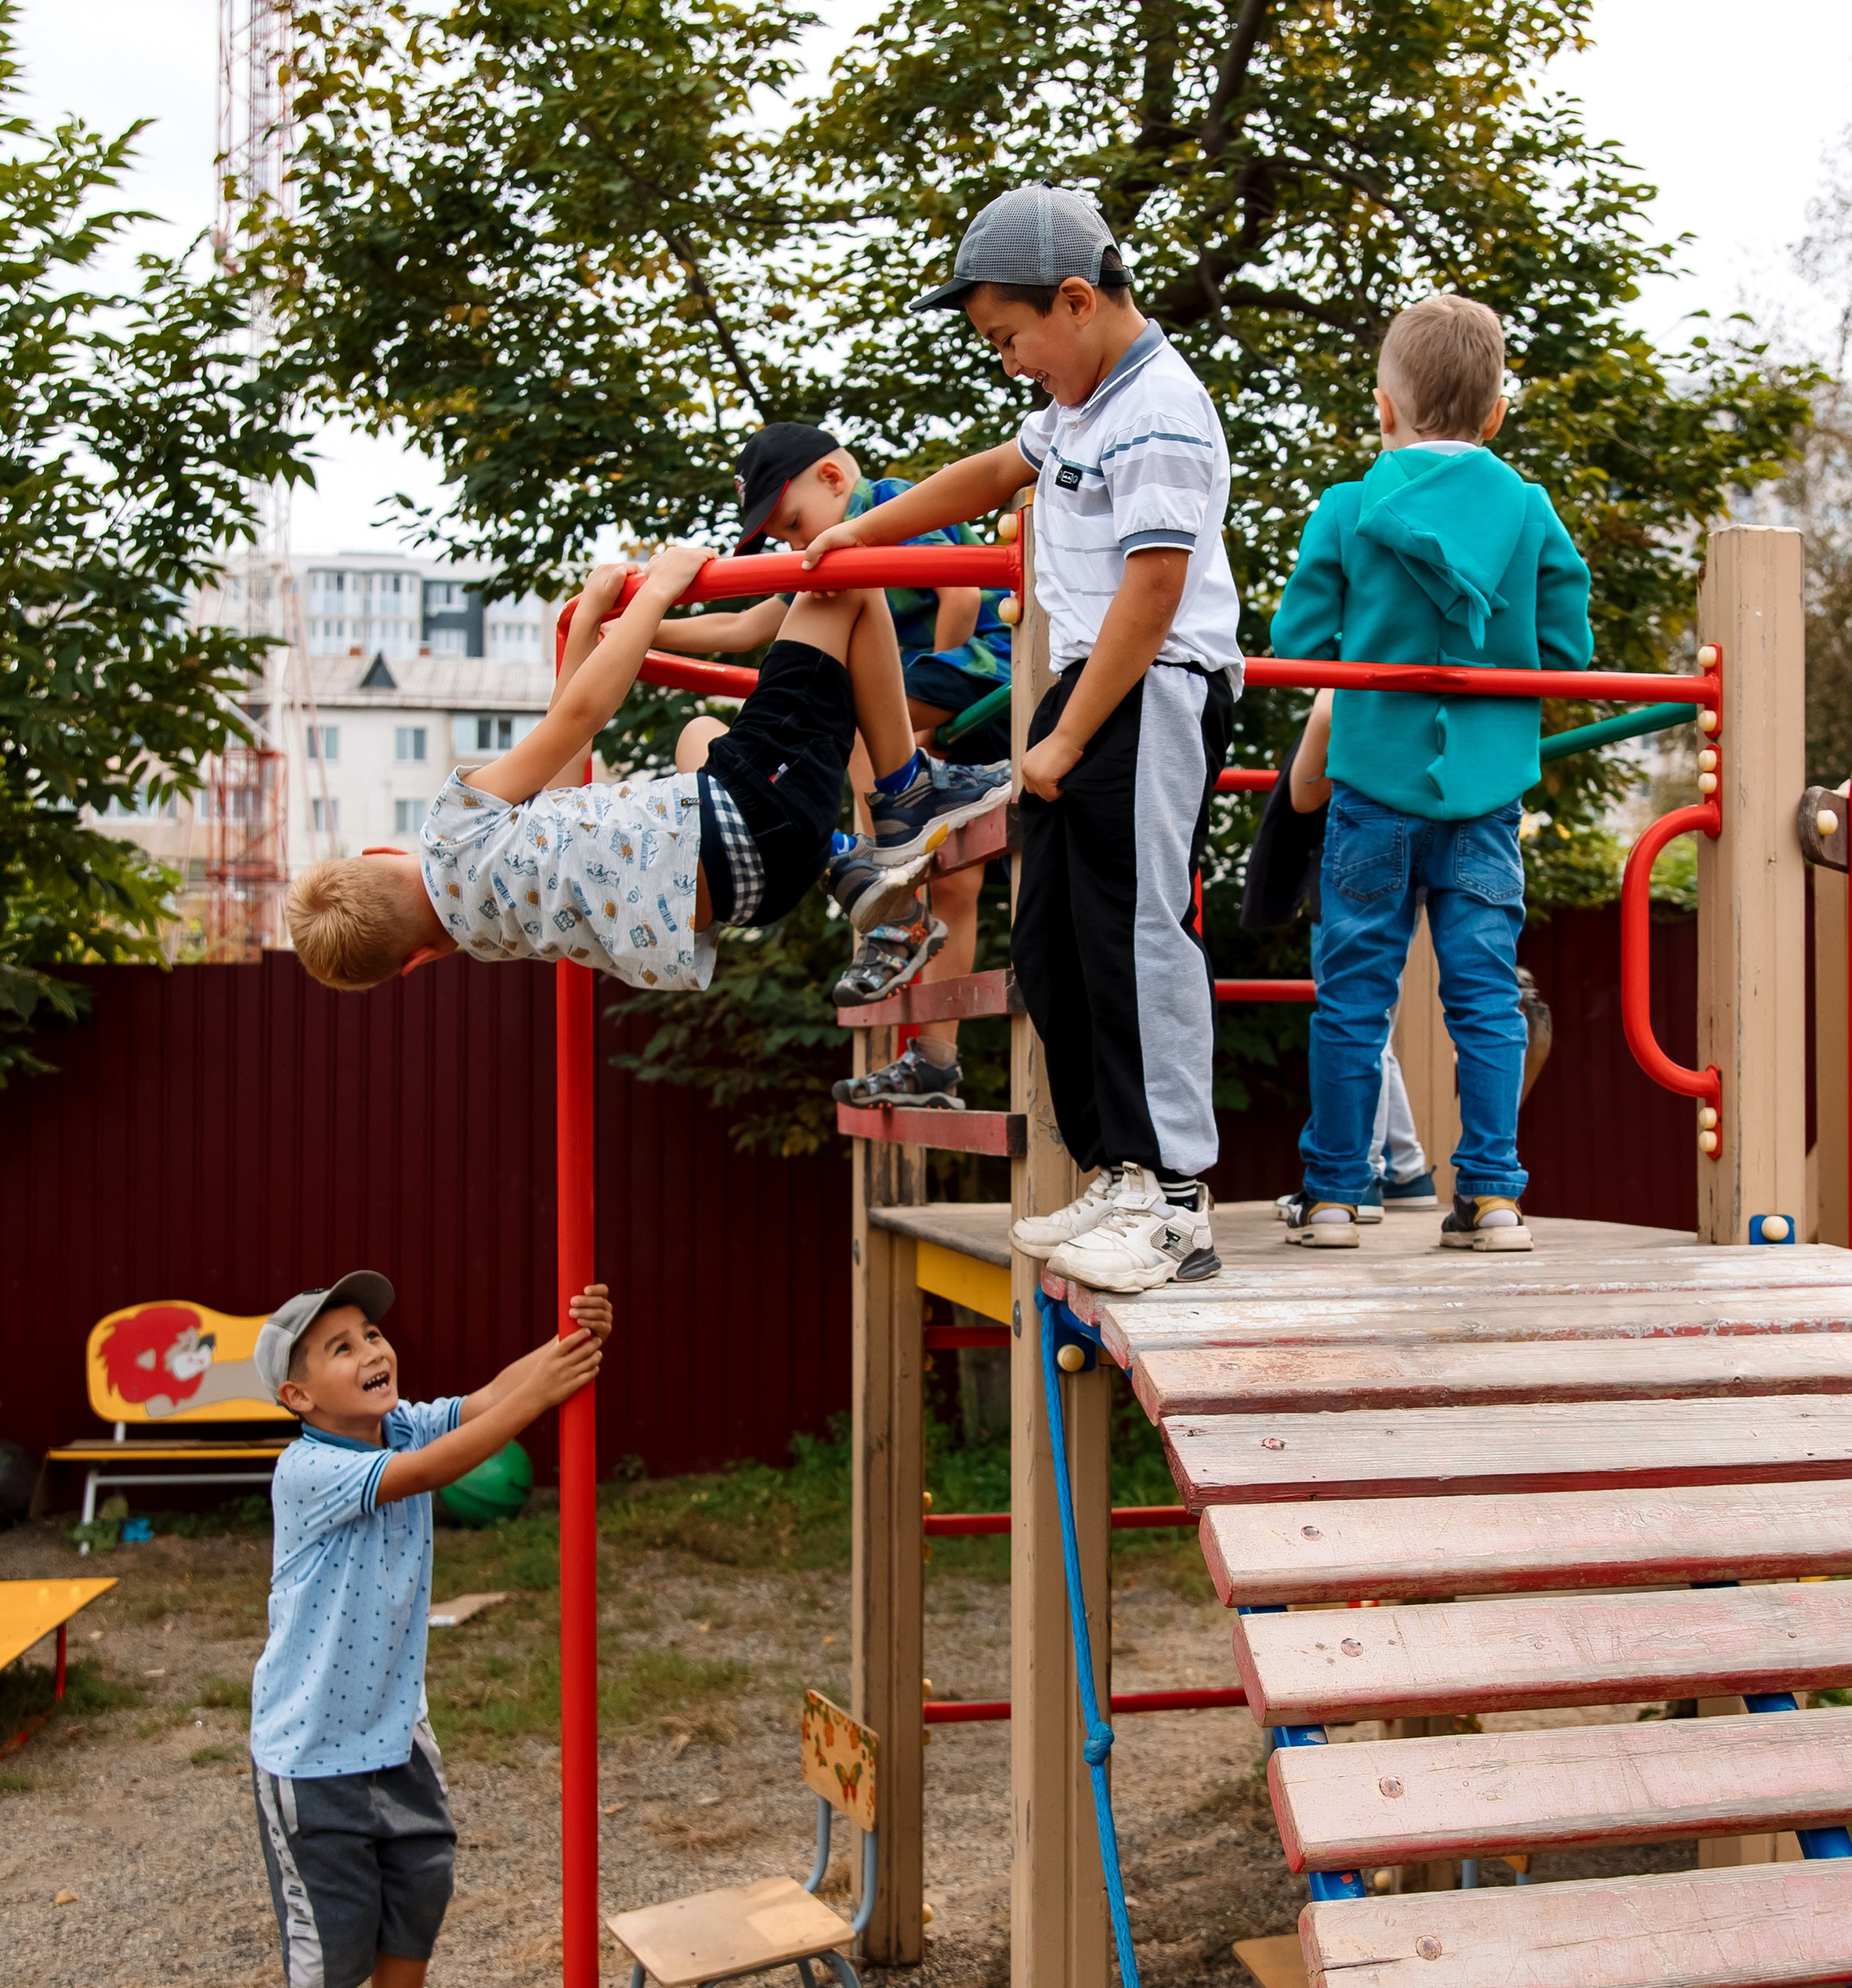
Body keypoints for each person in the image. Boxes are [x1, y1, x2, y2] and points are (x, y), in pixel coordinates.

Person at [803, 184, 1241, 1295]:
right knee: (1053, 941)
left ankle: (1178, 1203)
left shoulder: (1162, 413)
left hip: (1149, 694)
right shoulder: (1082, 408)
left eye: (1011, 338)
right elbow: (996, 471)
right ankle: (1121, 1168)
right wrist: (864, 529)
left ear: (1079, 301)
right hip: (1089, 699)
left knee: (1138, 936)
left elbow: (1154, 591)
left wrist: (1058, 743)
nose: (1010, 363)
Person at [282, 542, 1010, 996]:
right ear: (385, 850)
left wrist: (589, 624)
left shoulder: (486, 936)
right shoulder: (451, 827)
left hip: (756, 891)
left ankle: (839, 865)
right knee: (843, 582)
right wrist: (654, 590)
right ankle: (904, 791)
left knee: (700, 731)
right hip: (748, 816)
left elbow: (565, 786)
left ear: (416, 962)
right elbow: (576, 723)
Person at [248, 1269, 609, 1988]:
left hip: (394, 1733)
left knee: (415, 1901)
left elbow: (489, 1396)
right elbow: (442, 1467)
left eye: (371, 1333)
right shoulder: (312, 1469)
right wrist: (546, 1395)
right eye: (342, 1348)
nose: (373, 1351)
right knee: (333, 1930)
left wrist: (572, 1341)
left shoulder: (398, 1421)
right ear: (298, 1396)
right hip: (311, 1753)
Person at [1269, 294, 1591, 1253]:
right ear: (1495, 415)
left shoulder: (1349, 508)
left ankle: (1332, 1196)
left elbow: (1298, 641)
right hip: (1487, 800)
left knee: (1353, 995)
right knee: (1485, 998)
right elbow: (1567, 651)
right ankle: (1492, 1197)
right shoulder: (1529, 511)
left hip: (1371, 789)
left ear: (1383, 407)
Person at [649, 423, 1014, 1115]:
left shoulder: (887, 509)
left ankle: (885, 835)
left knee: (848, 714)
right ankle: (935, 1061)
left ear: (833, 479)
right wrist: (636, 624)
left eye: (790, 524)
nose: (790, 545)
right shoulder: (822, 564)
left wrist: (915, 739)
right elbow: (739, 631)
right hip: (928, 712)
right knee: (957, 885)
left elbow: (962, 599)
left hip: (984, 671)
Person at [1239, 692, 1437, 1234]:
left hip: (1357, 855)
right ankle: (1403, 1168)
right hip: (1415, 844)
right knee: (1374, 1023)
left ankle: (1360, 1176)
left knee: (1355, 1020)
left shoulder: (1362, 665)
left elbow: (1323, 728)